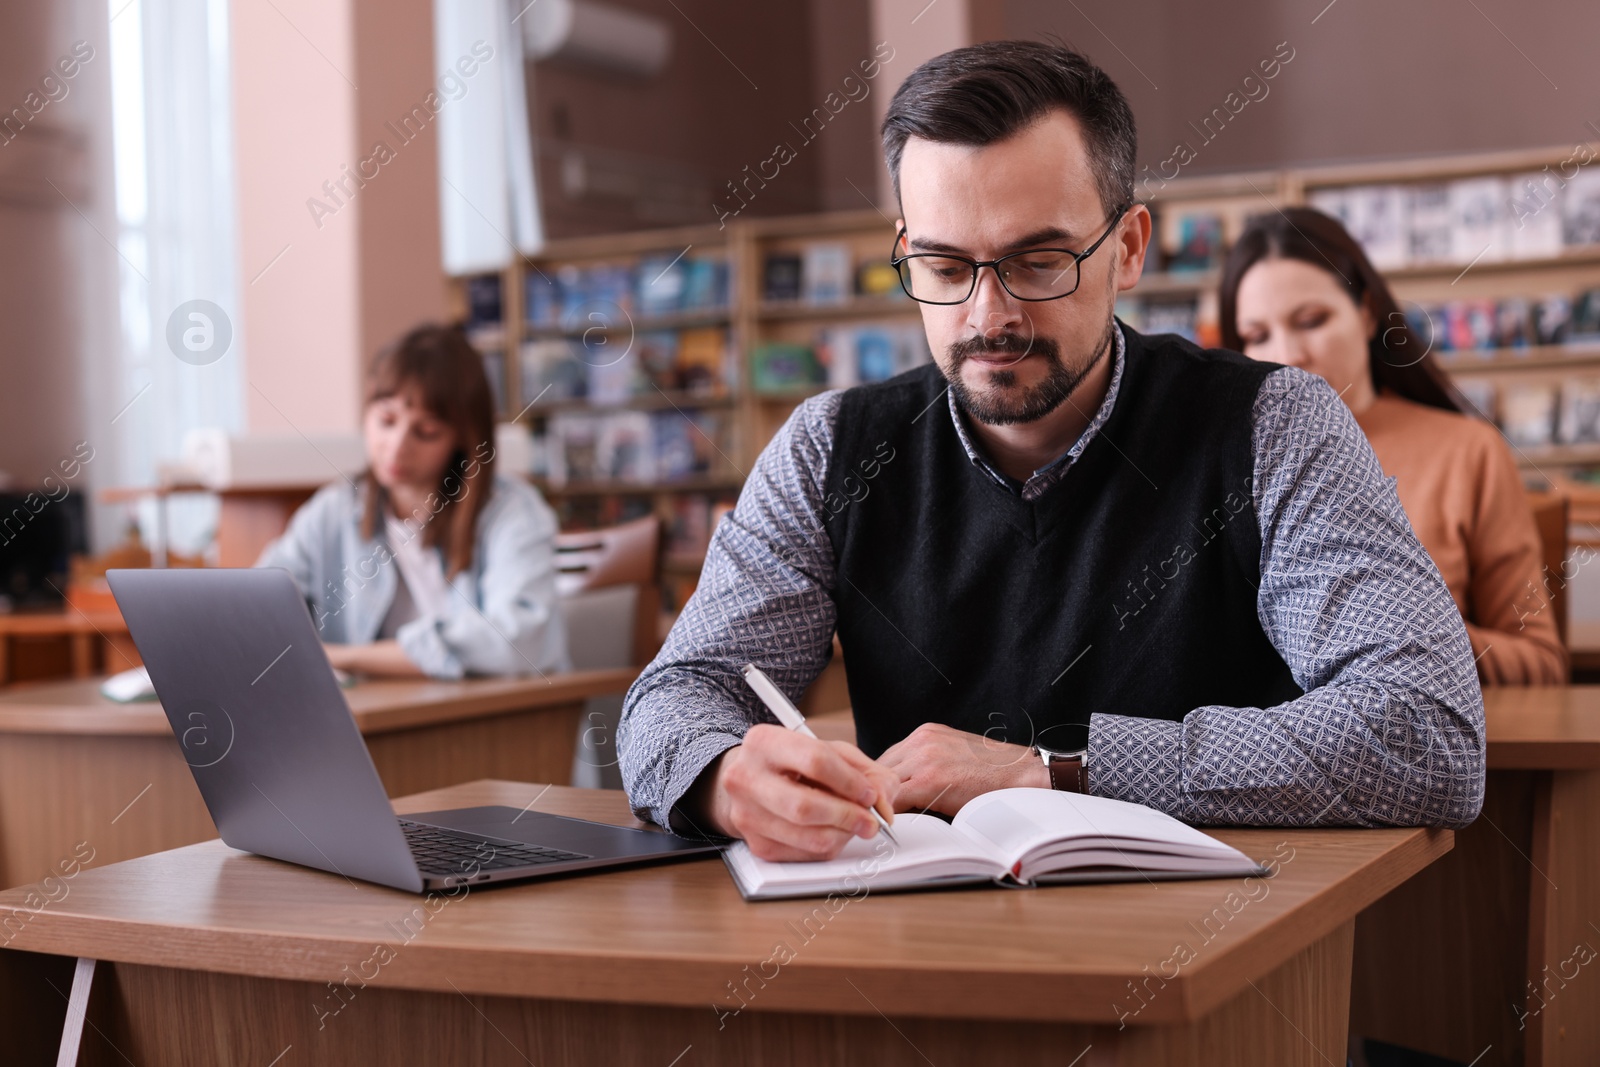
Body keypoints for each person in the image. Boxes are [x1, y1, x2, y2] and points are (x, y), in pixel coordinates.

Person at [619, 41, 1484, 862]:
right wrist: (724, 779)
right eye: (946, 267)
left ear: (1130, 247)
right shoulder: (827, 448)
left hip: (1212, 959)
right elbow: (673, 696)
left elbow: (1425, 732)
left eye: (1038, 261)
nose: (988, 316)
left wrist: (1052, 766)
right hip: (907, 942)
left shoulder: (1273, 423)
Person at [1220, 207, 1566, 686]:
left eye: (1312, 320)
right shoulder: (1219, 465)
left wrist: (1415, 639)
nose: (1287, 356)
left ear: (1365, 313)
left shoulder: (1467, 451)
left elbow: (1540, 661)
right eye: (1257, 336)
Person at [256, 323, 568, 679]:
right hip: (383, 721)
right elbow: (259, 603)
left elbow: (517, 640)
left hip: (503, 725)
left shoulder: (512, 511)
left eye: (426, 431)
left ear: (463, 438)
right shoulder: (334, 510)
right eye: (386, 420)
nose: (397, 445)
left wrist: (347, 658)